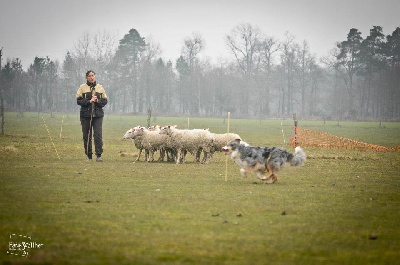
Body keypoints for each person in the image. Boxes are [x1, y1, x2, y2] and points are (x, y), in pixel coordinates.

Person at [76, 70, 108, 162]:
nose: (91, 77)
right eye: (89, 76)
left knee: (98, 135)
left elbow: (105, 101)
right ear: (86, 77)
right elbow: (78, 101)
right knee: (87, 136)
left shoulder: (100, 87)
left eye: (93, 75)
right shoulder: (82, 87)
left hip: (98, 115)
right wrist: (89, 101)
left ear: (95, 76)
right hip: (85, 116)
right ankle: (89, 156)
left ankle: (99, 155)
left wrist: (97, 101)